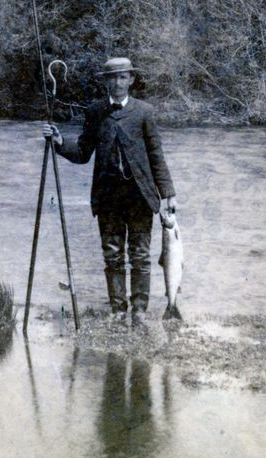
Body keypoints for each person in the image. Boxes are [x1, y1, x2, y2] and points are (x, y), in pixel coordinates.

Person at [42, 56, 177, 327]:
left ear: (131, 80)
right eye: (112, 78)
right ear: (105, 82)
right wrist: (58, 141)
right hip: (107, 198)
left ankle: (139, 311)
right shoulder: (95, 112)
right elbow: (82, 152)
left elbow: (156, 156)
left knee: (140, 255)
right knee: (113, 254)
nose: (118, 82)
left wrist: (168, 194)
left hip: (140, 196)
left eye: (123, 77)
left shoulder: (144, 112)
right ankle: (118, 310)